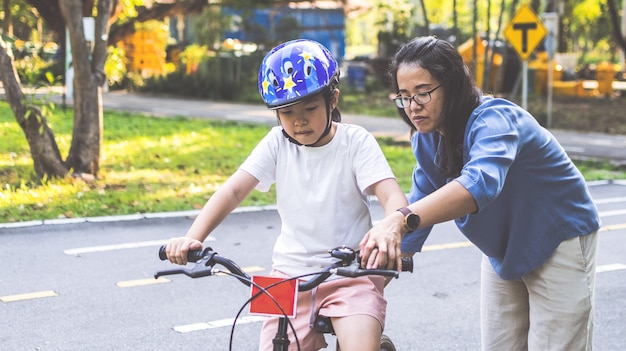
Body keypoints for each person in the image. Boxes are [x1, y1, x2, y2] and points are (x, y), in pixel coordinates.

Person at [359, 36, 601, 350]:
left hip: (557, 239)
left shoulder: (494, 119)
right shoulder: (428, 139)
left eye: (423, 93)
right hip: (504, 250)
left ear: (453, 86)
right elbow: (416, 216)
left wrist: (398, 220)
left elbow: (479, 184)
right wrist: (363, 288)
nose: (412, 106)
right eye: (404, 96)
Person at [165, 39, 408, 351]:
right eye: (287, 112)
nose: (299, 120)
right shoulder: (276, 143)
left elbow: (391, 196)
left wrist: (391, 228)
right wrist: (193, 237)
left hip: (351, 273)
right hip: (286, 277)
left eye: (309, 108)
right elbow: (234, 189)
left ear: (332, 99)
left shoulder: (355, 142)